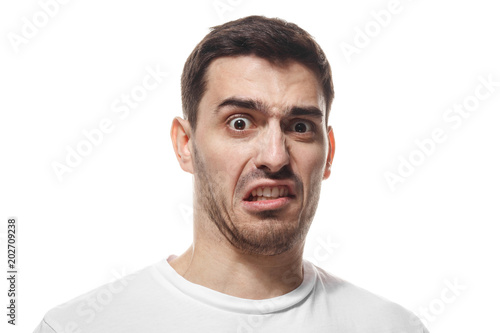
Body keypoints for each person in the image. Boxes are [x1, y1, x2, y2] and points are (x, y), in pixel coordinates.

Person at [34, 15, 429, 333]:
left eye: (300, 127)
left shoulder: (391, 327)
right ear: (184, 144)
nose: (275, 158)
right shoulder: (77, 326)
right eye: (240, 123)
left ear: (328, 155)